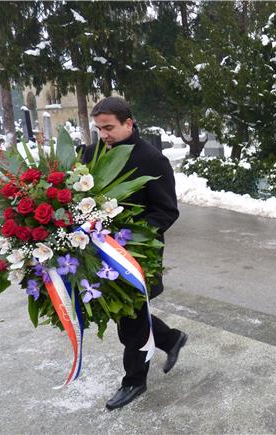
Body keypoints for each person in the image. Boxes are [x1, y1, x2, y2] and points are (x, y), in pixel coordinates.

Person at [83, 97, 187, 410]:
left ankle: (135, 380)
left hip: (134, 254)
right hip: (95, 252)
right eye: (99, 128)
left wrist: (128, 236)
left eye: (109, 127)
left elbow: (166, 211)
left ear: (129, 122)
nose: (104, 135)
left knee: (129, 320)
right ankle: (170, 339)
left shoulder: (152, 160)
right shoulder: (90, 153)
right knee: (124, 312)